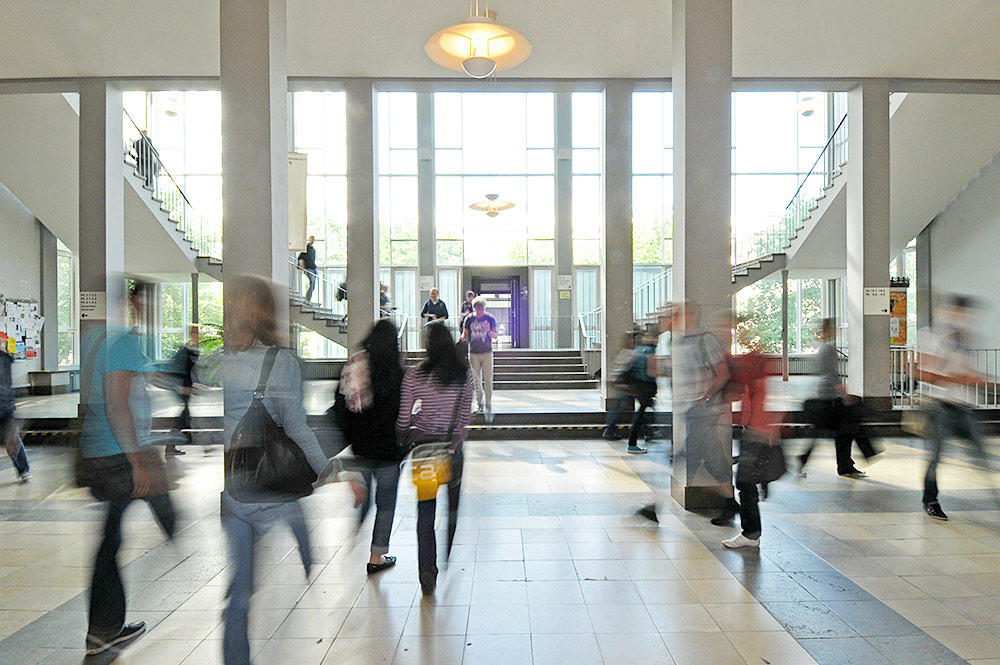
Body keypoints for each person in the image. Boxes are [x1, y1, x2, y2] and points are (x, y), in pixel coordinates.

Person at [220, 275, 356, 665]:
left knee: (239, 592)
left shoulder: (224, 360)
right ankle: (305, 543)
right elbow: (295, 426)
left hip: (232, 487)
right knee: (287, 504)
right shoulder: (279, 362)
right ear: (268, 312)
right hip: (267, 487)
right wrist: (328, 468)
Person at [79, 283, 175, 656]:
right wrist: (137, 461)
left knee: (110, 540)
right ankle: (104, 630)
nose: (145, 311)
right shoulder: (120, 342)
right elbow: (118, 405)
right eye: (141, 303)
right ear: (128, 304)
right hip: (118, 455)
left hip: (99, 452)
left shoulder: (93, 339)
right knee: (113, 541)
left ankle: (104, 629)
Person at [396, 323, 475, 595]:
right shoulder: (465, 375)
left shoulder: (416, 375)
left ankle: (426, 570)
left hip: (425, 450)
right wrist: (454, 441)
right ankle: (448, 552)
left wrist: (410, 431)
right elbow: (465, 417)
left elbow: (404, 417)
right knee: (452, 509)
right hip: (452, 451)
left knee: (425, 512)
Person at [334, 318, 405, 574]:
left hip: (361, 448)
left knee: (366, 496)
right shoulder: (396, 371)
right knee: (386, 505)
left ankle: (357, 516)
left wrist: (351, 438)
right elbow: (402, 412)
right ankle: (376, 557)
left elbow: (340, 406)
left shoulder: (354, 363)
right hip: (388, 450)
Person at [916, 295, 988, 521]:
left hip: (962, 405)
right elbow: (923, 373)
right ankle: (930, 499)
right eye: (959, 312)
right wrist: (959, 377)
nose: (963, 317)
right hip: (937, 406)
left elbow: (968, 373)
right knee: (936, 456)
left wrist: (977, 380)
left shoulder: (965, 339)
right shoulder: (928, 336)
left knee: (980, 452)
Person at [800, 318, 880, 478]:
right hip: (830, 398)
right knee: (847, 428)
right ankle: (851, 461)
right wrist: (844, 395)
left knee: (836, 431)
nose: (837, 330)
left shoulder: (821, 347)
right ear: (829, 330)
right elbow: (832, 376)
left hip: (822, 395)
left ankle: (810, 458)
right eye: (834, 328)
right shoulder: (828, 349)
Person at [723, 324, 779, 549]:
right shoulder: (759, 374)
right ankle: (751, 531)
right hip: (757, 431)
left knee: (744, 482)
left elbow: (757, 403)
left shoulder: (756, 374)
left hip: (757, 433)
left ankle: (751, 533)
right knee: (747, 482)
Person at [461, 296, 498, 423]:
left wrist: (488, 330)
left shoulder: (490, 318)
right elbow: (465, 334)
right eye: (477, 308)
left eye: (481, 308)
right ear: (474, 308)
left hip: (487, 352)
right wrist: (462, 338)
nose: (479, 311)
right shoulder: (469, 319)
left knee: (488, 380)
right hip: (474, 353)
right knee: (476, 381)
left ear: (484, 308)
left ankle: (488, 404)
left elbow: (495, 336)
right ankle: (480, 403)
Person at [624, 328, 659, 455]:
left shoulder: (638, 350)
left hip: (637, 386)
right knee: (642, 413)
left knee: (643, 411)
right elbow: (652, 370)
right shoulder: (650, 351)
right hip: (646, 386)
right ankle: (633, 443)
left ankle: (645, 435)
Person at [168, 324, 200, 455]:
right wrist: (181, 388)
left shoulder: (192, 350)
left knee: (184, 415)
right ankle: (172, 445)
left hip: (185, 387)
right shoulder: (185, 351)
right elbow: (181, 370)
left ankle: (171, 446)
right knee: (183, 416)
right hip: (182, 387)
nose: (197, 335)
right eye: (195, 332)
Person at [0, 348, 30, 481]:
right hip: (7, 403)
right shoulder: (5, 358)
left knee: (12, 439)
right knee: (12, 439)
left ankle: (23, 469)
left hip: (5, 404)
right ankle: (23, 470)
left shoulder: (4, 358)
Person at [603, 331, 639, 441]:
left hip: (623, 385)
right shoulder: (628, 353)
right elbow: (621, 370)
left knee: (618, 409)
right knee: (619, 409)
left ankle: (609, 430)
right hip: (624, 386)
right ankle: (609, 430)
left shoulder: (624, 352)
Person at [297, 235, 318, 302]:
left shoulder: (313, 250)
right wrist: (303, 269)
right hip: (308, 269)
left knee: (313, 284)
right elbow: (300, 259)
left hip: (313, 268)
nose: (312, 241)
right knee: (312, 282)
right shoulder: (306, 248)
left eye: (313, 239)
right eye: (311, 239)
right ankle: (307, 299)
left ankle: (308, 299)